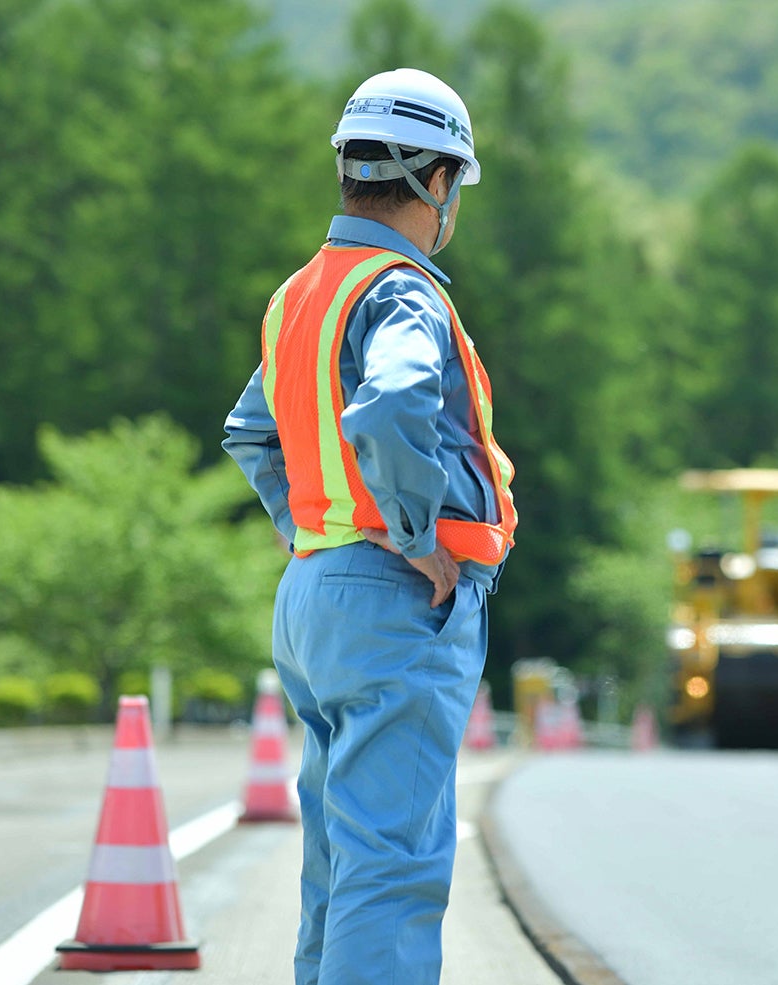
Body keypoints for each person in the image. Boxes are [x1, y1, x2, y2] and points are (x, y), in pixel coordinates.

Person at [222, 68, 516, 985]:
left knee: (341, 861)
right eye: (455, 184)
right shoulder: (400, 291)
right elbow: (392, 404)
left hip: (315, 595)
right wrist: (414, 527)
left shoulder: (300, 293)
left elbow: (249, 429)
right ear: (434, 180)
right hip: (396, 598)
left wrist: (308, 524)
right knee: (392, 869)